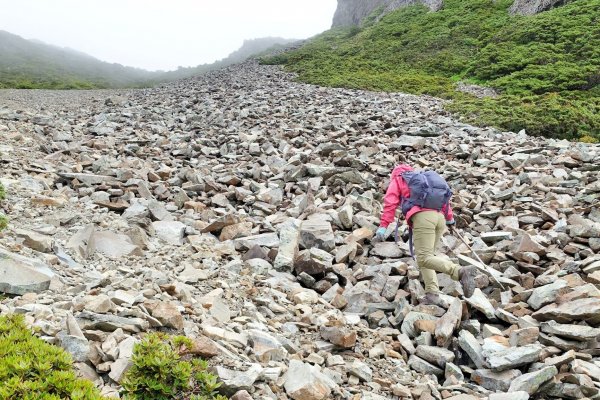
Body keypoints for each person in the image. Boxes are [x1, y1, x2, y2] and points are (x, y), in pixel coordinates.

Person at [375, 164, 476, 302]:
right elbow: (445, 201)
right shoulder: (425, 181)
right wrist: (450, 220)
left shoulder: (399, 179)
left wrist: (383, 226)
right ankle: (432, 294)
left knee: (424, 258)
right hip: (439, 218)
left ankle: (459, 272)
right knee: (428, 257)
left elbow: (390, 203)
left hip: (423, 219)